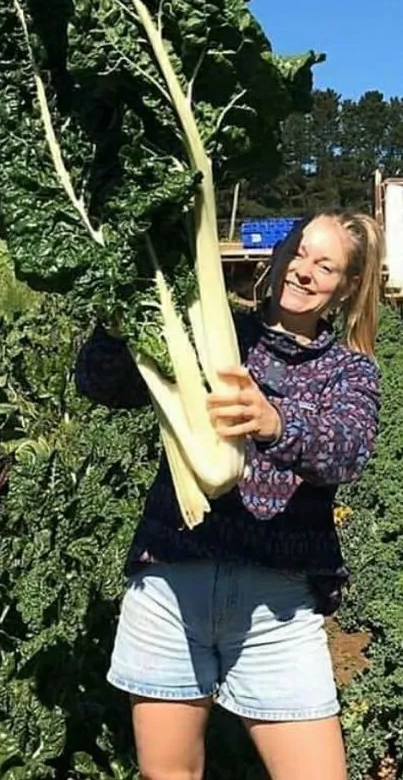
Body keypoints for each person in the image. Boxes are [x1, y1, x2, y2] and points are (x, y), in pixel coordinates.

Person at [76, 210, 383, 780]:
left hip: (278, 605)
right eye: (299, 252)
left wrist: (274, 422)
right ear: (278, 254)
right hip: (173, 580)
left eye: (326, 265)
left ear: (344, 289)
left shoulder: (349, 371)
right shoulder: (209, 327)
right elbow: (100, 385)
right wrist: (117, 324)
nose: (304, 271)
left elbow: (348, 451)